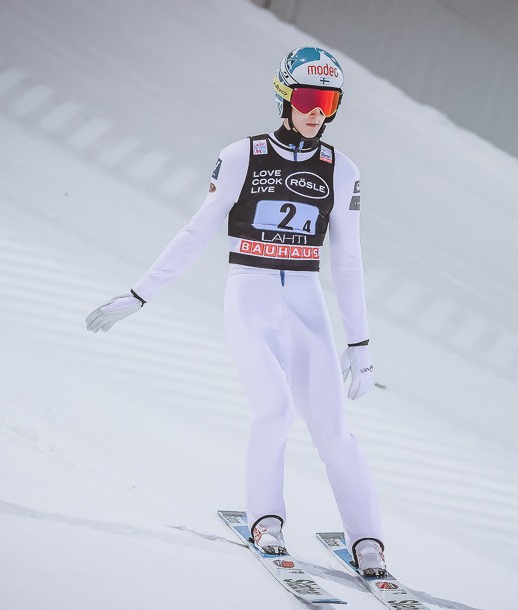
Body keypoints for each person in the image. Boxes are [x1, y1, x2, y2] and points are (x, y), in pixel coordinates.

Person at [86, 46, 386, 577]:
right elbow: (196, 230)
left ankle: (368, 540)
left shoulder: (342, 170)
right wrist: (141, 293)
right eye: (307, 98)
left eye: (328, 103)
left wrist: (359, 342)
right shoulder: (242, 155)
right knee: (274, 410)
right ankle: (266, 519)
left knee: (334, 429)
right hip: (250, 294)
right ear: (284, 97)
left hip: (306, 300)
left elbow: (348, 260)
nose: (316, 113)